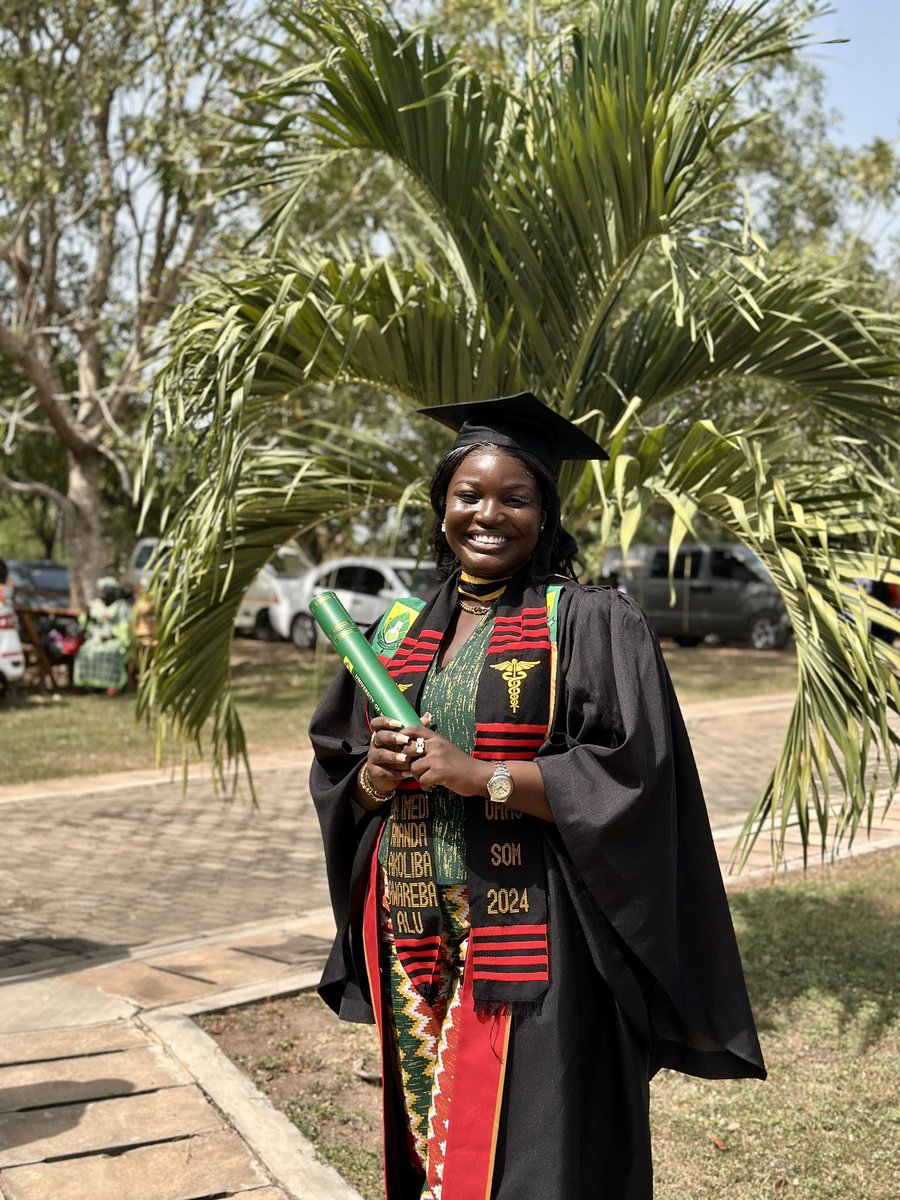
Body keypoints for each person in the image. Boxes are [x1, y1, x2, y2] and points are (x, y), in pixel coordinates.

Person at [309, 394, 765, 1200]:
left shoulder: (588, 623)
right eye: (469, 495)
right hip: (411, 925)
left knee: (528, 1149)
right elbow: (342, 769)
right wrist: (375, 775)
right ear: (442, 507)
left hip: (531, 927)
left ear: (545, 513)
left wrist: (481, 773)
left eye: (514, 497)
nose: (489, 515)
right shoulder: (394, 631)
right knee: (432, 1139)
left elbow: (634, 772)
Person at [72, 576, 132, 696]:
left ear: (111, 592)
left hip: (114, 639)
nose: (101, 594)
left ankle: (112, 685)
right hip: (95, 638)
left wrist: (112, 635)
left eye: (104, 592)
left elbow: (125, 626)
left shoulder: (121, 606)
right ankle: (85, 684)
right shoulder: (95, 605)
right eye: (100, 591)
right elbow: (84, 623)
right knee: (84, 651)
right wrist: (86, 614)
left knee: (109, 652)